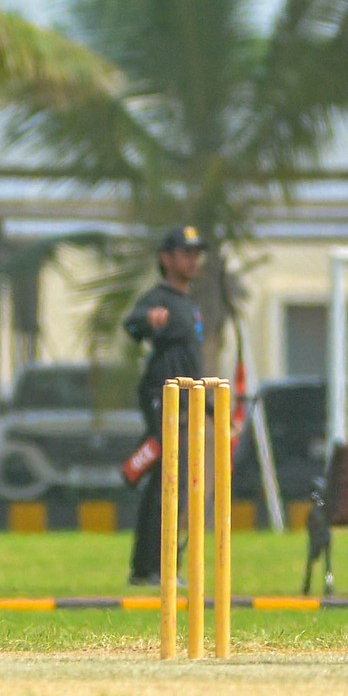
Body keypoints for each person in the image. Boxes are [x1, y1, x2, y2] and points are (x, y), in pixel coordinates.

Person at [122, 225, 206, 587]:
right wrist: (148, 320)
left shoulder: (188, 303)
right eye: (186, 253)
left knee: (169, 479)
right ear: (166, 258)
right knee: (169, 479)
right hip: (162, 396)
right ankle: (155, 566)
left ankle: (150, 567)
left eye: (196, 253)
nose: (193, 260)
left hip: (186, 399)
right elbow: (133, 324)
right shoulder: (159, 298)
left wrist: (210, 406)